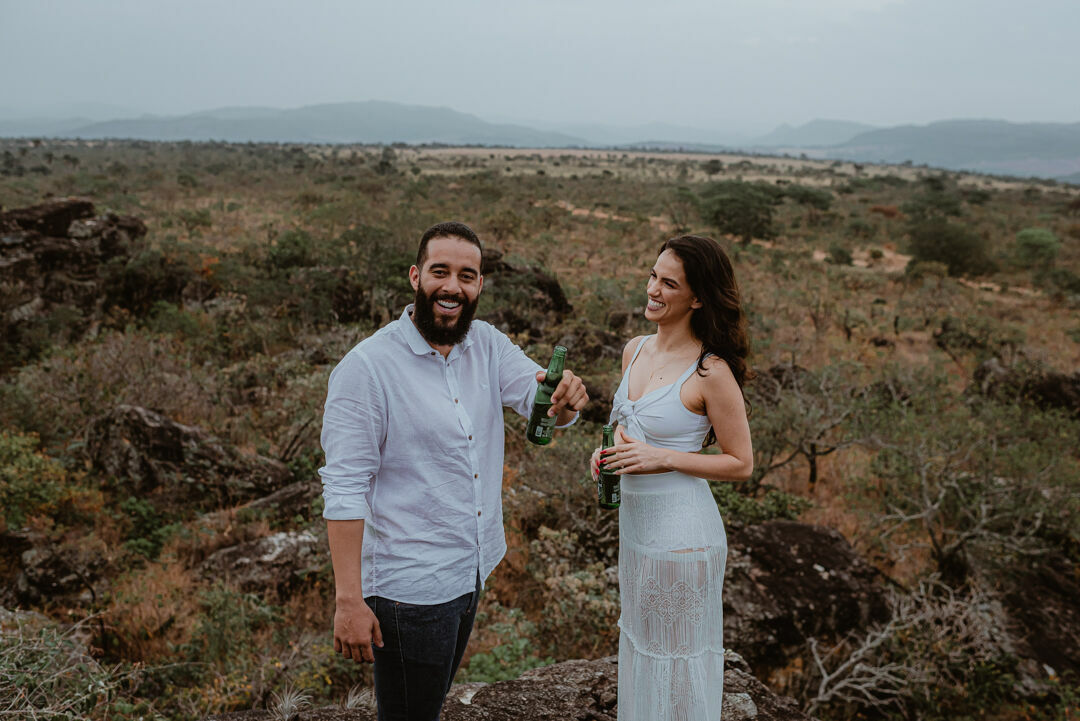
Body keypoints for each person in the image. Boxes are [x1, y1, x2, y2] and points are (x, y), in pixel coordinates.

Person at [320, 221, 588, 721]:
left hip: (471, 570)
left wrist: (566, 400)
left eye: (466, 276)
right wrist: (348, 600)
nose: (452, 287)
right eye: (440, 272)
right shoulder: (367, 368)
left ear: (479, 284)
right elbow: (344, 488)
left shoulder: (486, 344)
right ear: (415, 276)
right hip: (410, 590)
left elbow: (540, 400)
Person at [591, 235, 753, 720]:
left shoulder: (710, 372)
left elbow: (741, 463)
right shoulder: (634, 350)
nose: (652, 289)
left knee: (676, 666)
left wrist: (664, 457)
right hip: (637, 530)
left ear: (697, 298)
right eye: (652, 276)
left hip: (683, 537)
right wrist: (603, 455)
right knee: (643, 650)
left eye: (669, 283)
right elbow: (624, 432)